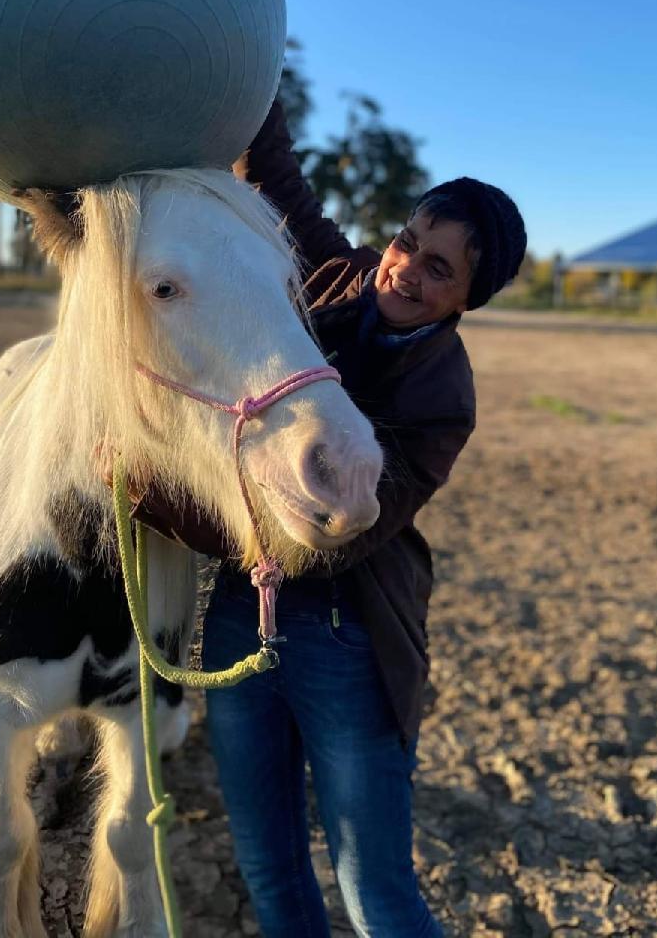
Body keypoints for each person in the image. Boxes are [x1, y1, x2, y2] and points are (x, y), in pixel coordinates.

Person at [133, 100, 527, 938]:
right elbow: (275, 175)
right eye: (407, 243)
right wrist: (246, 74)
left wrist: (152, 497)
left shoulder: (442, 399)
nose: (406, 272)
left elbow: (324, 540)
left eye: (439, 271)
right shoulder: (338, 275)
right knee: (269, 867)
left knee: (374, 891)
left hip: (350, 635)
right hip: (244, 612)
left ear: (469, 299)